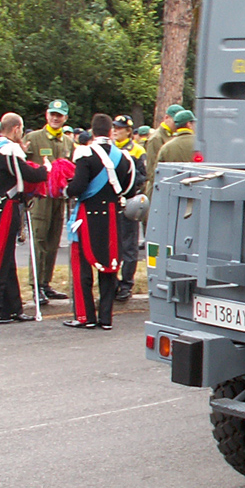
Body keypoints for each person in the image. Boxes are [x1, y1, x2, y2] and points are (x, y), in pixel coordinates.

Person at [64, 113, 137, 330]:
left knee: (83, 265)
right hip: (113, 215)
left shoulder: (84, 152)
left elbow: (77, 188)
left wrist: (64, 189)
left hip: (88, 215)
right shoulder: (124, 157)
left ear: (93, 131)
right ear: (110, 131)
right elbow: (129, 190)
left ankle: (85, 316)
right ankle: (106, 317)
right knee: (109, 264)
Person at [0, 113, 50, 323]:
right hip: (5, 207)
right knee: (0, 258)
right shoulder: (9, 149)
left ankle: (12, 306)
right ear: (16, 129)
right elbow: (30, 175)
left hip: (0, 206)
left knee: (8, 260)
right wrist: (47, 168)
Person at [24, 99, 74, 304]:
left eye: (59, 115)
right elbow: (22, 163)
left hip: (58, 198)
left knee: (53, 240)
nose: (55, 118)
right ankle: (35, 285)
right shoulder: (34, 138)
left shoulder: (68, 142)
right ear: (46, 115)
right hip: (40, 197)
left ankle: (46, 283)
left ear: (65, 118)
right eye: (52, 114)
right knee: (39, 239)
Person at [111, 115, 147, 301]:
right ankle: (113, 281)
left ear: (128, 131)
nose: (115, 130)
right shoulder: (110, 148)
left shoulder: (137, 150)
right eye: (114, 127)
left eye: (119, 128)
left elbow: (143, 176)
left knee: (129, 245)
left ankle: (126, 283)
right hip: (112, 202)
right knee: (113, 244)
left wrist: (126, 178)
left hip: (129, 201)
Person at [144, 104, 183, 200]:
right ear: (166, 118)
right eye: (175, 121)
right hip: (158, 189)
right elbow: (152, 169)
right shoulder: (156, 138)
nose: (177, 124)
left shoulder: (174, 136)